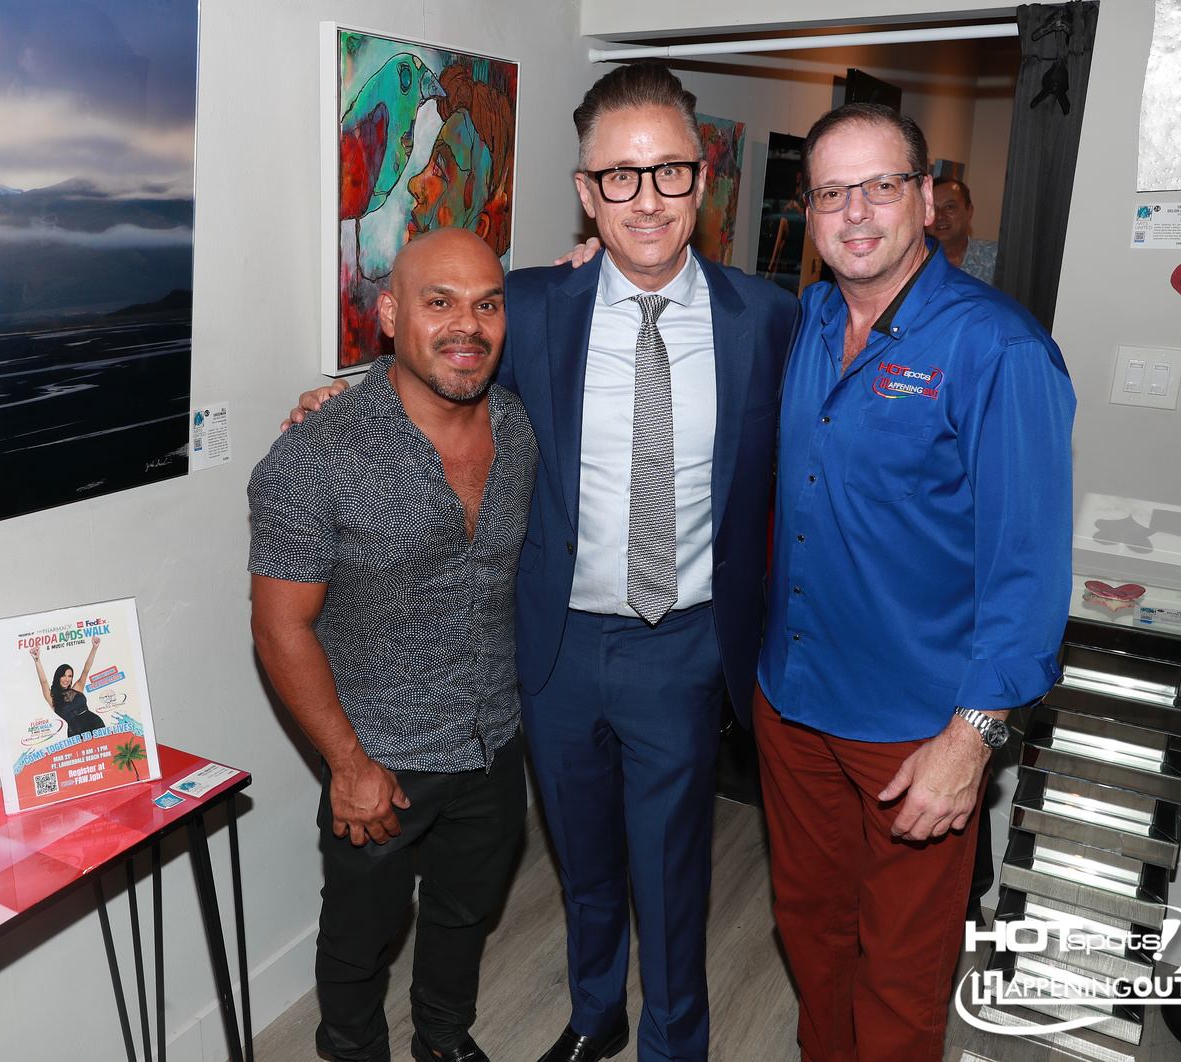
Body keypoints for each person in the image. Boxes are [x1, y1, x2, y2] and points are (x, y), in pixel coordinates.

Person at [288, 63, 796, 1062]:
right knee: (584, 862)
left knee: (671, 876)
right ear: (585, 192)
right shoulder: (529, 307)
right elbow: (436, 362)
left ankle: (674, 1047)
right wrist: (338, 400)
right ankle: (596, 1015)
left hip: (682, 646)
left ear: (701, 179)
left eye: (668, 172)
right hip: (553, 650)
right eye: (618, 177)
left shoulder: (768, 320)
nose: (645, 199)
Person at [754, 103, 1074, 1061]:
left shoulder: (998, 349)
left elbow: (1028, 570)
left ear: (926, 199)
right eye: (831, 193)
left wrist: (972, 740)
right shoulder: (810, 318)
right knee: (811, 929)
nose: (856, 213)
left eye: (881, 186)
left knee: (902, 968)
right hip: (792, 702)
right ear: (809, 212)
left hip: (914, 730)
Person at [249, 227, 535, 1062]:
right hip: (380, 756)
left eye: (487, 304)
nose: (467, 325)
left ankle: (443, 1039)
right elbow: (279, 626)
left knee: (465, 913)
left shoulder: (518, 428)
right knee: (359, 938)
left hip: (492, 736)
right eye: (439, 302)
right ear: (388, 314)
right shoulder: (315, 457)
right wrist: (349, 766)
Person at [30, 635, 105, 738]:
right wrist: (37, 660)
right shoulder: (52, 698)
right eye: (64, 676)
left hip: (94, 723)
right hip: (76, 731)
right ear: (58, 677)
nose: (67, 679)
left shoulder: (77, 688)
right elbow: (43, 682)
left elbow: (86, 670)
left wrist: (94, 648)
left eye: (70, 676)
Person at [927, 176, 997, 283]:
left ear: (969, 212)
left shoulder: (996, 258)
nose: (940, 216)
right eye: (933, 209)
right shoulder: (910, 265)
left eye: (950, 207)